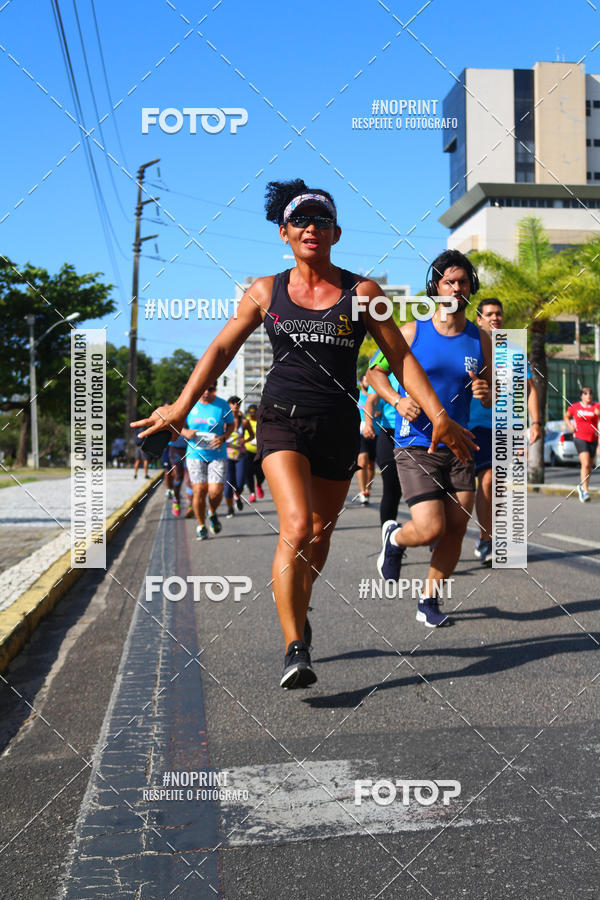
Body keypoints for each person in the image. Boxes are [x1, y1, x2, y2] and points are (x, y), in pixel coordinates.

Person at [132, 179, 476, 688]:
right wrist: (182, 405)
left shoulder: (364, 293)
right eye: (300, 221)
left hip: (336, 426)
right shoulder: (264, 290)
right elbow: (222, 348)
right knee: (294, 527)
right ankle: (296, 647)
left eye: (320, 220)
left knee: (317, 536)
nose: (311, 228)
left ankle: (299, 605)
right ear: (284, 234)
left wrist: (438, 414)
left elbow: (401, 359)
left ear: (336, 232)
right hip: (280, 420)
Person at [372, 249, 492, 627]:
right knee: (430, 528)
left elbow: (492, 385)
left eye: (463, 282)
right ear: (435, 287)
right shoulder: (413, 331)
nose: (457, 288)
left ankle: (429, 600)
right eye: (449, 282)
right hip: (416, 443)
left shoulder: (481, 338)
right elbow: (373, 374)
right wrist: (396, 398)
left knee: (456, 529)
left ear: (472, 286)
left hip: (461, 444)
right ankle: (394, 540)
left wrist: (489, 392)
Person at [469, 298, 542, 562]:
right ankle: (449, 530)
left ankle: (486, 539)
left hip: (504, 425)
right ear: (479, 319)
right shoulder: (470, 347)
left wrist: (535, 422)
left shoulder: (514, 351)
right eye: (488, 314)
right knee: (468, 485)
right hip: (470, 424)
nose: (495, 318)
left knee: (494, 481)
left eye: (498, 314)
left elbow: (530, 389)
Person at [181, 384, 234, 540]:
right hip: (195, 454)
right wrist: (185, 432)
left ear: (214, 390)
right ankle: (201, 525)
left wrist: (223, 437)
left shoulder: (223, 405)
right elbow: (177, 423)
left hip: (217, 453)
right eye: (203, 388)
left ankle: (211, 512)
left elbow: (231, 425)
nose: (206, 392)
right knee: (199, 490)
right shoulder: (189, 403)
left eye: (210, 389)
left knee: (216, 491)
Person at [363, 358, 402, 525]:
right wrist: (369, 423)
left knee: (428, 489)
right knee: (392, 488)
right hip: (389, 432)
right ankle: (387, 542)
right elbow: (371, 401)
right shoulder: (382, 372)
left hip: (417, 433)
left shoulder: (418, 365)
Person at [565, 386, 599, 502]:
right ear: (581, 395)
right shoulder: (575, 407)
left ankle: (583, 487)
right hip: (580, 438)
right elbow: (566, 416)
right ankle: (585, 492)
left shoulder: (596, 407)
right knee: (585, 464)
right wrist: (570, 426)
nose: (588, 395)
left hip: (593, 439)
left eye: (590, 393)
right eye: (585, 393)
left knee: (589, 466)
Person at [224, 396, 255, 517]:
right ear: (229, 405)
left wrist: (245, 440)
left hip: (241, 455)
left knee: (240, 483)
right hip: (226, 456)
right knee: (227, 487)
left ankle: (237, 496)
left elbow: (252, 435)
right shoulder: (224, 421)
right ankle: (230, 508)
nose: (235, 406)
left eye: (238, 403)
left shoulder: (244, 421)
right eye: (233, 403)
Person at [356, 373, 379, 504]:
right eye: (365, 380)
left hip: (375, 432)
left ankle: (367, 488)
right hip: (359, 433)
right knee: (362, 461)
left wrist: (378, 412)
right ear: (361, 382)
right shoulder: (357, 396)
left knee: (371, 465)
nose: (368, 382)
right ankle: (362, 490)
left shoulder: (375, 396)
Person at [244, 404, 265, 501]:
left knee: (261, 473)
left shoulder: (261, 421)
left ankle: (259, 484)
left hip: (260, 451)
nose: (252, 415)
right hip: (248, 451)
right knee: (249, 473)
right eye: (250, 414)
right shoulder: (245, 421)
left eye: (254, 414)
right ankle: (252, 493)